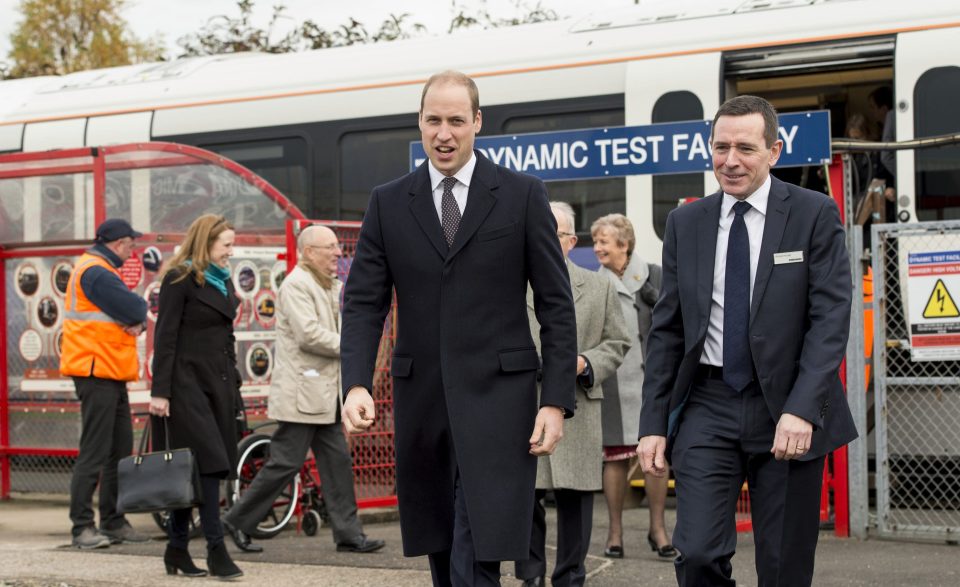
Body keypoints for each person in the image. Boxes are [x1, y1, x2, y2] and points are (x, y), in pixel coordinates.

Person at [340, 70, 577, 587]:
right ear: (419, 125)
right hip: (422, 402)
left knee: (478, 551)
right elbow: (363, 301)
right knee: (444, 555)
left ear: (477, 122)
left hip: (501, 403)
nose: (443, 133)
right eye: (432, 121)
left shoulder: (521, 195)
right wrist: (356, 381)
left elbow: (557, 306)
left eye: (454, 120)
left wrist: (555, 402)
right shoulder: (388, 201)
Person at [637, 95, 858, 587]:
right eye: (720, 147)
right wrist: (653, 422)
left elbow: (830, 320)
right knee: (695, 555)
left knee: (783, 567)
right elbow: (668, 330)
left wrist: (802, 408)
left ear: (774, 151)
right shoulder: (686, 222)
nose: (730, 160)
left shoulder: (812, 214)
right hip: (707, 406)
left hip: (786, 406)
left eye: (745, 148)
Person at [222, 225, 385, 555]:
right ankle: (237, 520)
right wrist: (352, 347)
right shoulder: (297, 285)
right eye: (330, 248)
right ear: (309, 252)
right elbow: (309, 335)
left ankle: (349, 534)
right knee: (285, 462)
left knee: (337, 464)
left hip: (322, 397)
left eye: (338, 247)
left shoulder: (323, 284)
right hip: (302, 396)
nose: (338, 254)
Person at [514, 202, 630, 587]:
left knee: (576, 498)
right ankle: (529, 574)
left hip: (577, 403)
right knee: (525, 497)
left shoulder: (598, 286)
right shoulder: (511, 283)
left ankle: (570, 576)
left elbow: (617, 341)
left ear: (570, 242)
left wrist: (585, 362)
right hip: (522, 403)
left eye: (554, 234)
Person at [149, 214, 244, 580]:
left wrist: (234, 382)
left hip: (218, 386)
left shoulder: (223, 281)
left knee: (190, 470)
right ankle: (216, 550)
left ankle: (176, 548)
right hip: (184, 387)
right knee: (208, 465)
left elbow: (226, 335)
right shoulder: (179, 278)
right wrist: (160, 392)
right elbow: (165, 336)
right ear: (206, 243)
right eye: (226, 246)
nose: (230, 253)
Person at [591, 213, 676, 560]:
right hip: (611, 385)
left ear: (624, 245)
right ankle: (615, 534)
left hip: (649, 383)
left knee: (655, 458)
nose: (597, 248)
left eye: (603, 242)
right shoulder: (593, 284)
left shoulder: (654, 275)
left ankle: (659, 530)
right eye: (595, 241)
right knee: (614, 459)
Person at [61, 218, 150, 549]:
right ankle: (82, 527)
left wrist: (136, 321)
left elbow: (134, 314)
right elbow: (137, 306)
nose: (133, 249)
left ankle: (113, 521)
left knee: (118, 450)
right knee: (96, 451)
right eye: (131, 243)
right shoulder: (96, 271)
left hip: (108, 371)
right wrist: (136, 317)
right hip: (95, 370)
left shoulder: (98, 269)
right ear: (117, 244)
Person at [868, 86, 897, 221]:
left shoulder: (891, 119)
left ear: (884, 109)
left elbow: (886, 157)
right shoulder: (879, 131)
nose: (871, 112)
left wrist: (898, 182)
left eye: (873, 107)